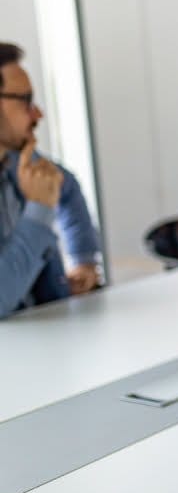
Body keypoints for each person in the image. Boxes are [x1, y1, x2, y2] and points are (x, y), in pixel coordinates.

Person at [1, 42, 102, 318]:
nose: (38, 114)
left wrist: (84, 259)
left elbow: (65, 186)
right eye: (26, 101)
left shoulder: (15, 161)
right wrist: (39, 208)